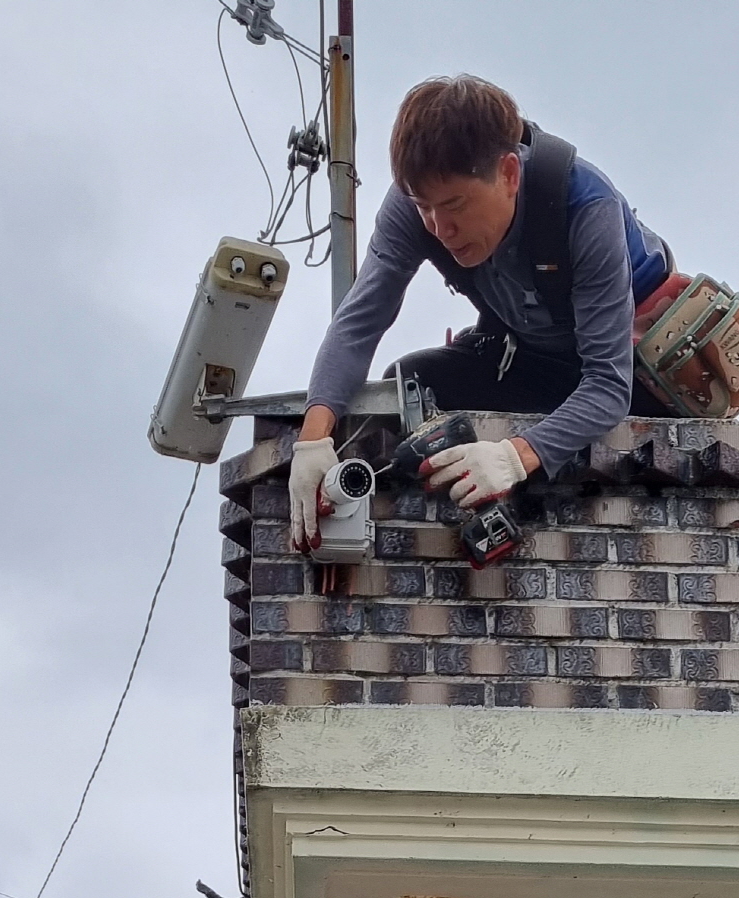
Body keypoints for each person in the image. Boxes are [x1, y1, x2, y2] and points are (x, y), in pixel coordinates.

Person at [287, 75, 674, 551]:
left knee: (584, 436)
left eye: (455, 205)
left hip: (631, 377)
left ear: (508, 175)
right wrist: (313, 440)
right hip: (530, 359)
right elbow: (359, 323)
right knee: (409, 383)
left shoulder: (586, 206)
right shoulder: (413, 206)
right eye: (425, 208)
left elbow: (608, 385)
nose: (440, 228)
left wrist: (516, 456)